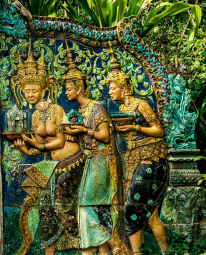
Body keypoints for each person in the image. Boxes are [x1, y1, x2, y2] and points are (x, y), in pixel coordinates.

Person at [13, 43, 83, 255]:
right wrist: (25, 149)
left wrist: (37, 144)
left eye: (34, 91)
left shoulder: (56, 108)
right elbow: (38, 150)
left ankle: (85, 245)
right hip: (53, 164)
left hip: (71, 161)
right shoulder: (34, 116)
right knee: (44, 207)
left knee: (61, 205)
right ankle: (48, 253)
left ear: (43, 90)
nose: (30, 95)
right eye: (27, 91)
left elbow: (60, 142)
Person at [63, 48, 126, 255]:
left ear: (79, 88)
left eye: (69, 88)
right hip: (90, 162)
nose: (66, 92)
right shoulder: (80, 111)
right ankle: (101, 249)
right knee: (90, 208)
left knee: (88, 206)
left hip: (101, 162)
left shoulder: (97, 108)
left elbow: (105, 136)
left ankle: (108, 246)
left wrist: (84, 130)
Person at [108, 51, 169, 255]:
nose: (110, 91)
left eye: (113, 87)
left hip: (151, 160)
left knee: (131, 210)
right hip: (135, 159)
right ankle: (163, 252)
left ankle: (139, 253)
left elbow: (159, 130)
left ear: (124, 88)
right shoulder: (121, 111)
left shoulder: (140, 104)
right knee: (150, 214)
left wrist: (137, 129)